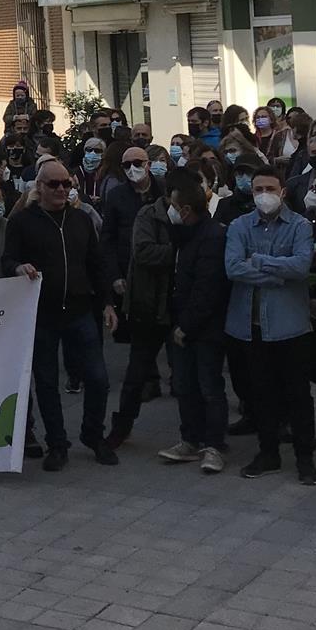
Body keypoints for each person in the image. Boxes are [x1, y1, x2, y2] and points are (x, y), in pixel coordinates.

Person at [3, 157, 119, 470]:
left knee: (98, 378)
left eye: (66, 183)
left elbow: (96, 263)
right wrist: (18, 267)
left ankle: (94, 435)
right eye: (53, 184)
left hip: (81, 310)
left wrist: (108, 302)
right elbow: (7, 258)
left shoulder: (81, 219)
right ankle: (57, 443)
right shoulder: (22, 222)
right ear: (38, 187)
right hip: (42, 313)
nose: (60, 189)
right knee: (47, 382)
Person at [224, 164, 316, 484]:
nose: (264, 196)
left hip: (290, 325)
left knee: (298, 395)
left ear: (283, 192)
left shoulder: (300, 226)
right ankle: (268, 453)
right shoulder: (239, 225)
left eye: (269, 189)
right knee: (260, 394)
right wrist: (279, 275)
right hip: (249, 326)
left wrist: (261, 262)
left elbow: (301, 265)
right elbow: (233, 268)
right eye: (258, 190)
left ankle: (305, 457)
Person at [160, 172, 230, 472]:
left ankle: (214, 445)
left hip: (205, 328)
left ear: (185, 208)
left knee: (209, 386)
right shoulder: (184, 235)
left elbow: (207, 287)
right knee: (184, 385)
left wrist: (186, 325)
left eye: (173, 205)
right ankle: (190, 439)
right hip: (182, 323)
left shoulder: (212, 236)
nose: (170, 210)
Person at [108, 166, 175, 449]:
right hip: (148, 305)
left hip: (179, 306)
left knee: (191, 377)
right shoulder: (149, 215)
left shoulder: (198, 217)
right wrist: (180, 250)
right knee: (137, 374)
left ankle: (198, 435)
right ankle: (121, 427)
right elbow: (144, 252)